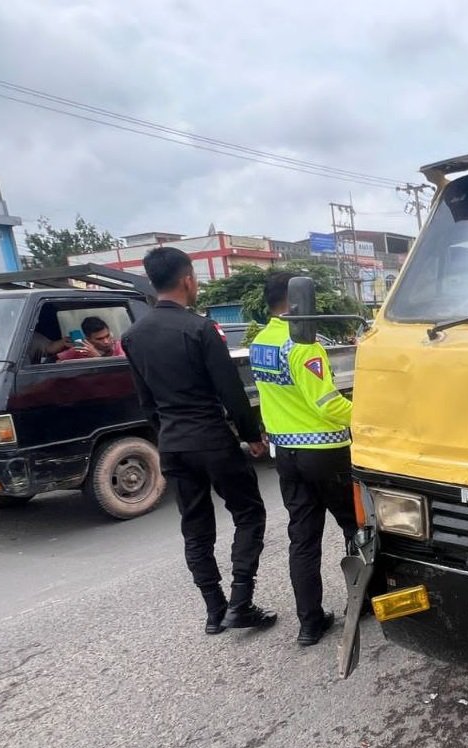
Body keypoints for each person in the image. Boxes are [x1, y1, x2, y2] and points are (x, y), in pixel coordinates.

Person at [121, 247, 274, 634]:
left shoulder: (133, 336)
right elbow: (231, 391)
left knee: (195, 527)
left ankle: (214, 610)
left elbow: (146, 401)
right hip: (212, 439)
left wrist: (168, 433)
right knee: (249, 513)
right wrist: (253, 436)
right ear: (187, 279)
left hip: (173, 443)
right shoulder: (200, 329)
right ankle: (241, 601)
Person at [250, 272, 358, 647]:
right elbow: (327, 405)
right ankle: (363, 605)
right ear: (297, 302)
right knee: (356, 528)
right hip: (325, 454)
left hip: (287, 457)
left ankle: (310, 623)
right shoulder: (304, 345)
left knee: (303, 538)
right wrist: (365, 416)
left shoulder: (260, 343)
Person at [57, 316, 126, 360]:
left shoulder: (120, 346)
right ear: (88, 339)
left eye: (107, 336)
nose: (106, 341)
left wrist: (97, 357)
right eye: (99, 339)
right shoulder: (81, 348)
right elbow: (57, 363)